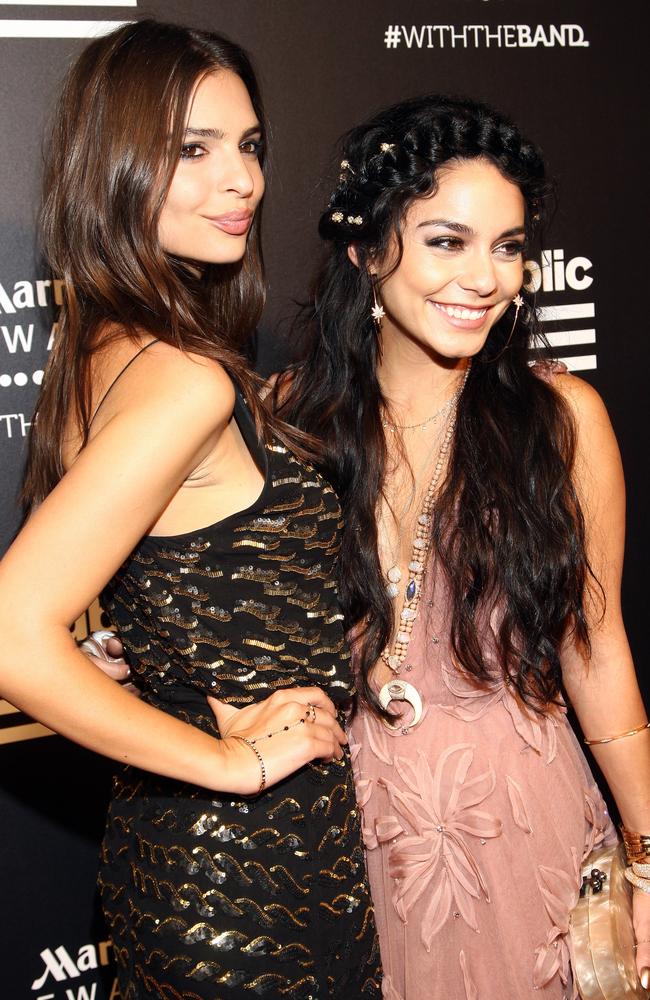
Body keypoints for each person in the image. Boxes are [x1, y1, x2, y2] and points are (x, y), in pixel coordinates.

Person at [0, 19, 381, 999]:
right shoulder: (182, 381)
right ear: (117, 165)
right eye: (194, 150)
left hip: (168, 859)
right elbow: (9, 634)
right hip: (253, 877)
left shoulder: (96, 354)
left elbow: (163, 577)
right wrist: (231, 762)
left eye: (248, 146)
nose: (243, 180)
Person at [272, 95, 650, 998]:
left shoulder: (560, 420)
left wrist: (649, 855)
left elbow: (595, 650)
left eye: (509, 246)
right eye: (448, 241)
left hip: (524, 837)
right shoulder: (283, 421)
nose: (486, 277)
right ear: (367, 251)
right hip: (343, 840)